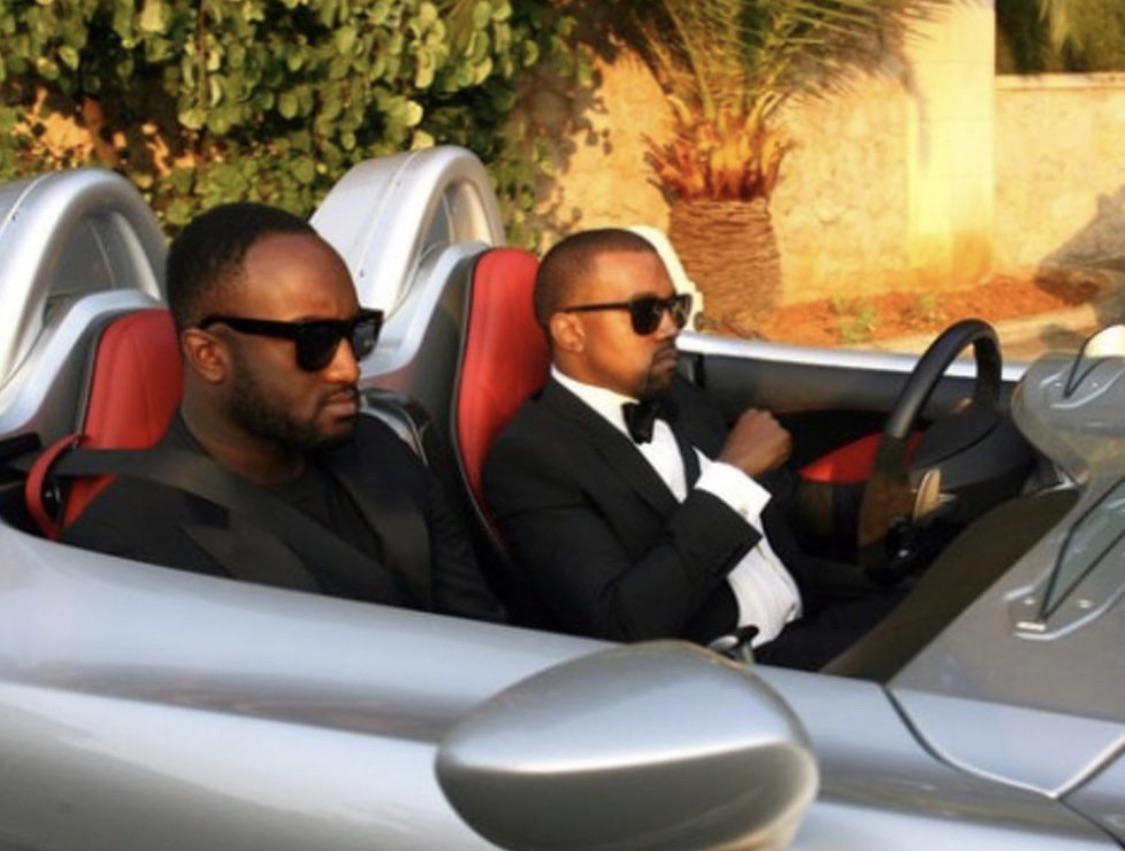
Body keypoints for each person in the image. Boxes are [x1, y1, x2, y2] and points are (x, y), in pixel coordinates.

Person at [63, 202, 504, 625]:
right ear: (209, 355)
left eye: (357, 333)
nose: (348, 367)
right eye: (314, 340)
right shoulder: (123, 552)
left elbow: (482, 633)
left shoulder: (381, 449)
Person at [483, 228, 891, 668]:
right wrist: (731, 479)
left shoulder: (677, 396)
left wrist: (884, 504)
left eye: (676, 307)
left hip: (817, 618)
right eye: (645, 312)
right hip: (733, 677)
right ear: (570, 331)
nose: (670, 327)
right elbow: (623, 624)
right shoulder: (531, 459)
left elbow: (783, 505)